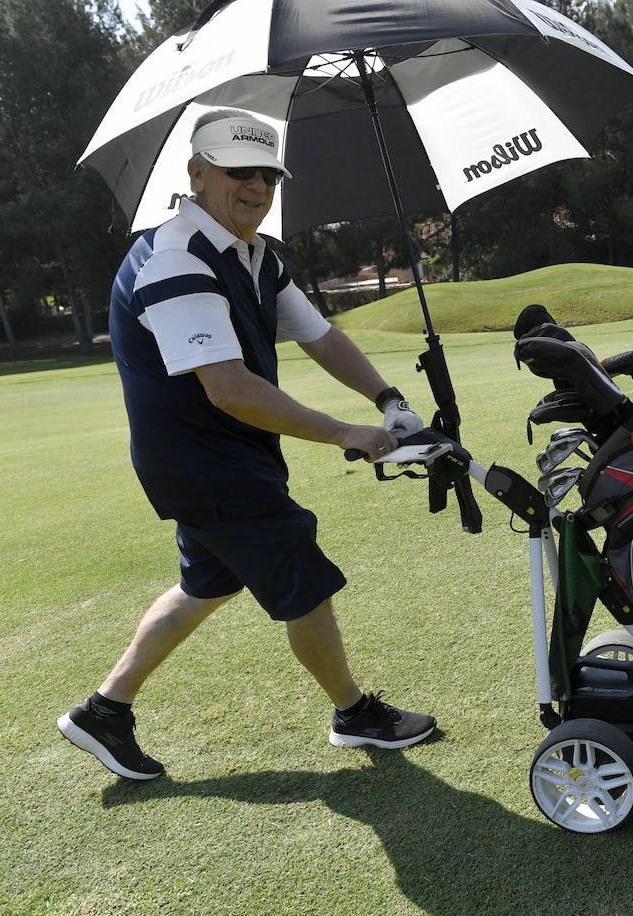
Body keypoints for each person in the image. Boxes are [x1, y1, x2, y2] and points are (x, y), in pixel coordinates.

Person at [57, 109, 436, 781]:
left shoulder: (257, 256)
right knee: (303, 578)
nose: (257, 187)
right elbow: (228, 388)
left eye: (268, 174)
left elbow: (321, 338)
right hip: (203, 464)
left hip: (229, 458)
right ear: (198, 175)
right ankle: (354, 714)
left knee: (206, 583)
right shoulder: (174, 257)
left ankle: (103, 710)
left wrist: (387, 401)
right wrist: (349, 433)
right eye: (239, 172)